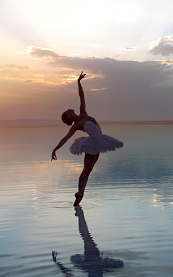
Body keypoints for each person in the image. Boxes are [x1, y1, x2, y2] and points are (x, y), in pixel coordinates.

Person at [51, 71, 123, 206]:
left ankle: (80, 194)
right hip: (92, 144)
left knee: (88, 171)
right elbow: (65, 138)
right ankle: (79, 194)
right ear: (69, 117)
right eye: (67, 112)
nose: (68, 109)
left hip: (99, 141)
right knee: (86, 171)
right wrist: (55, 149)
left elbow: (81, 96)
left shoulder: (83, 112)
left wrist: (78, 82)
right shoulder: (76, 126)